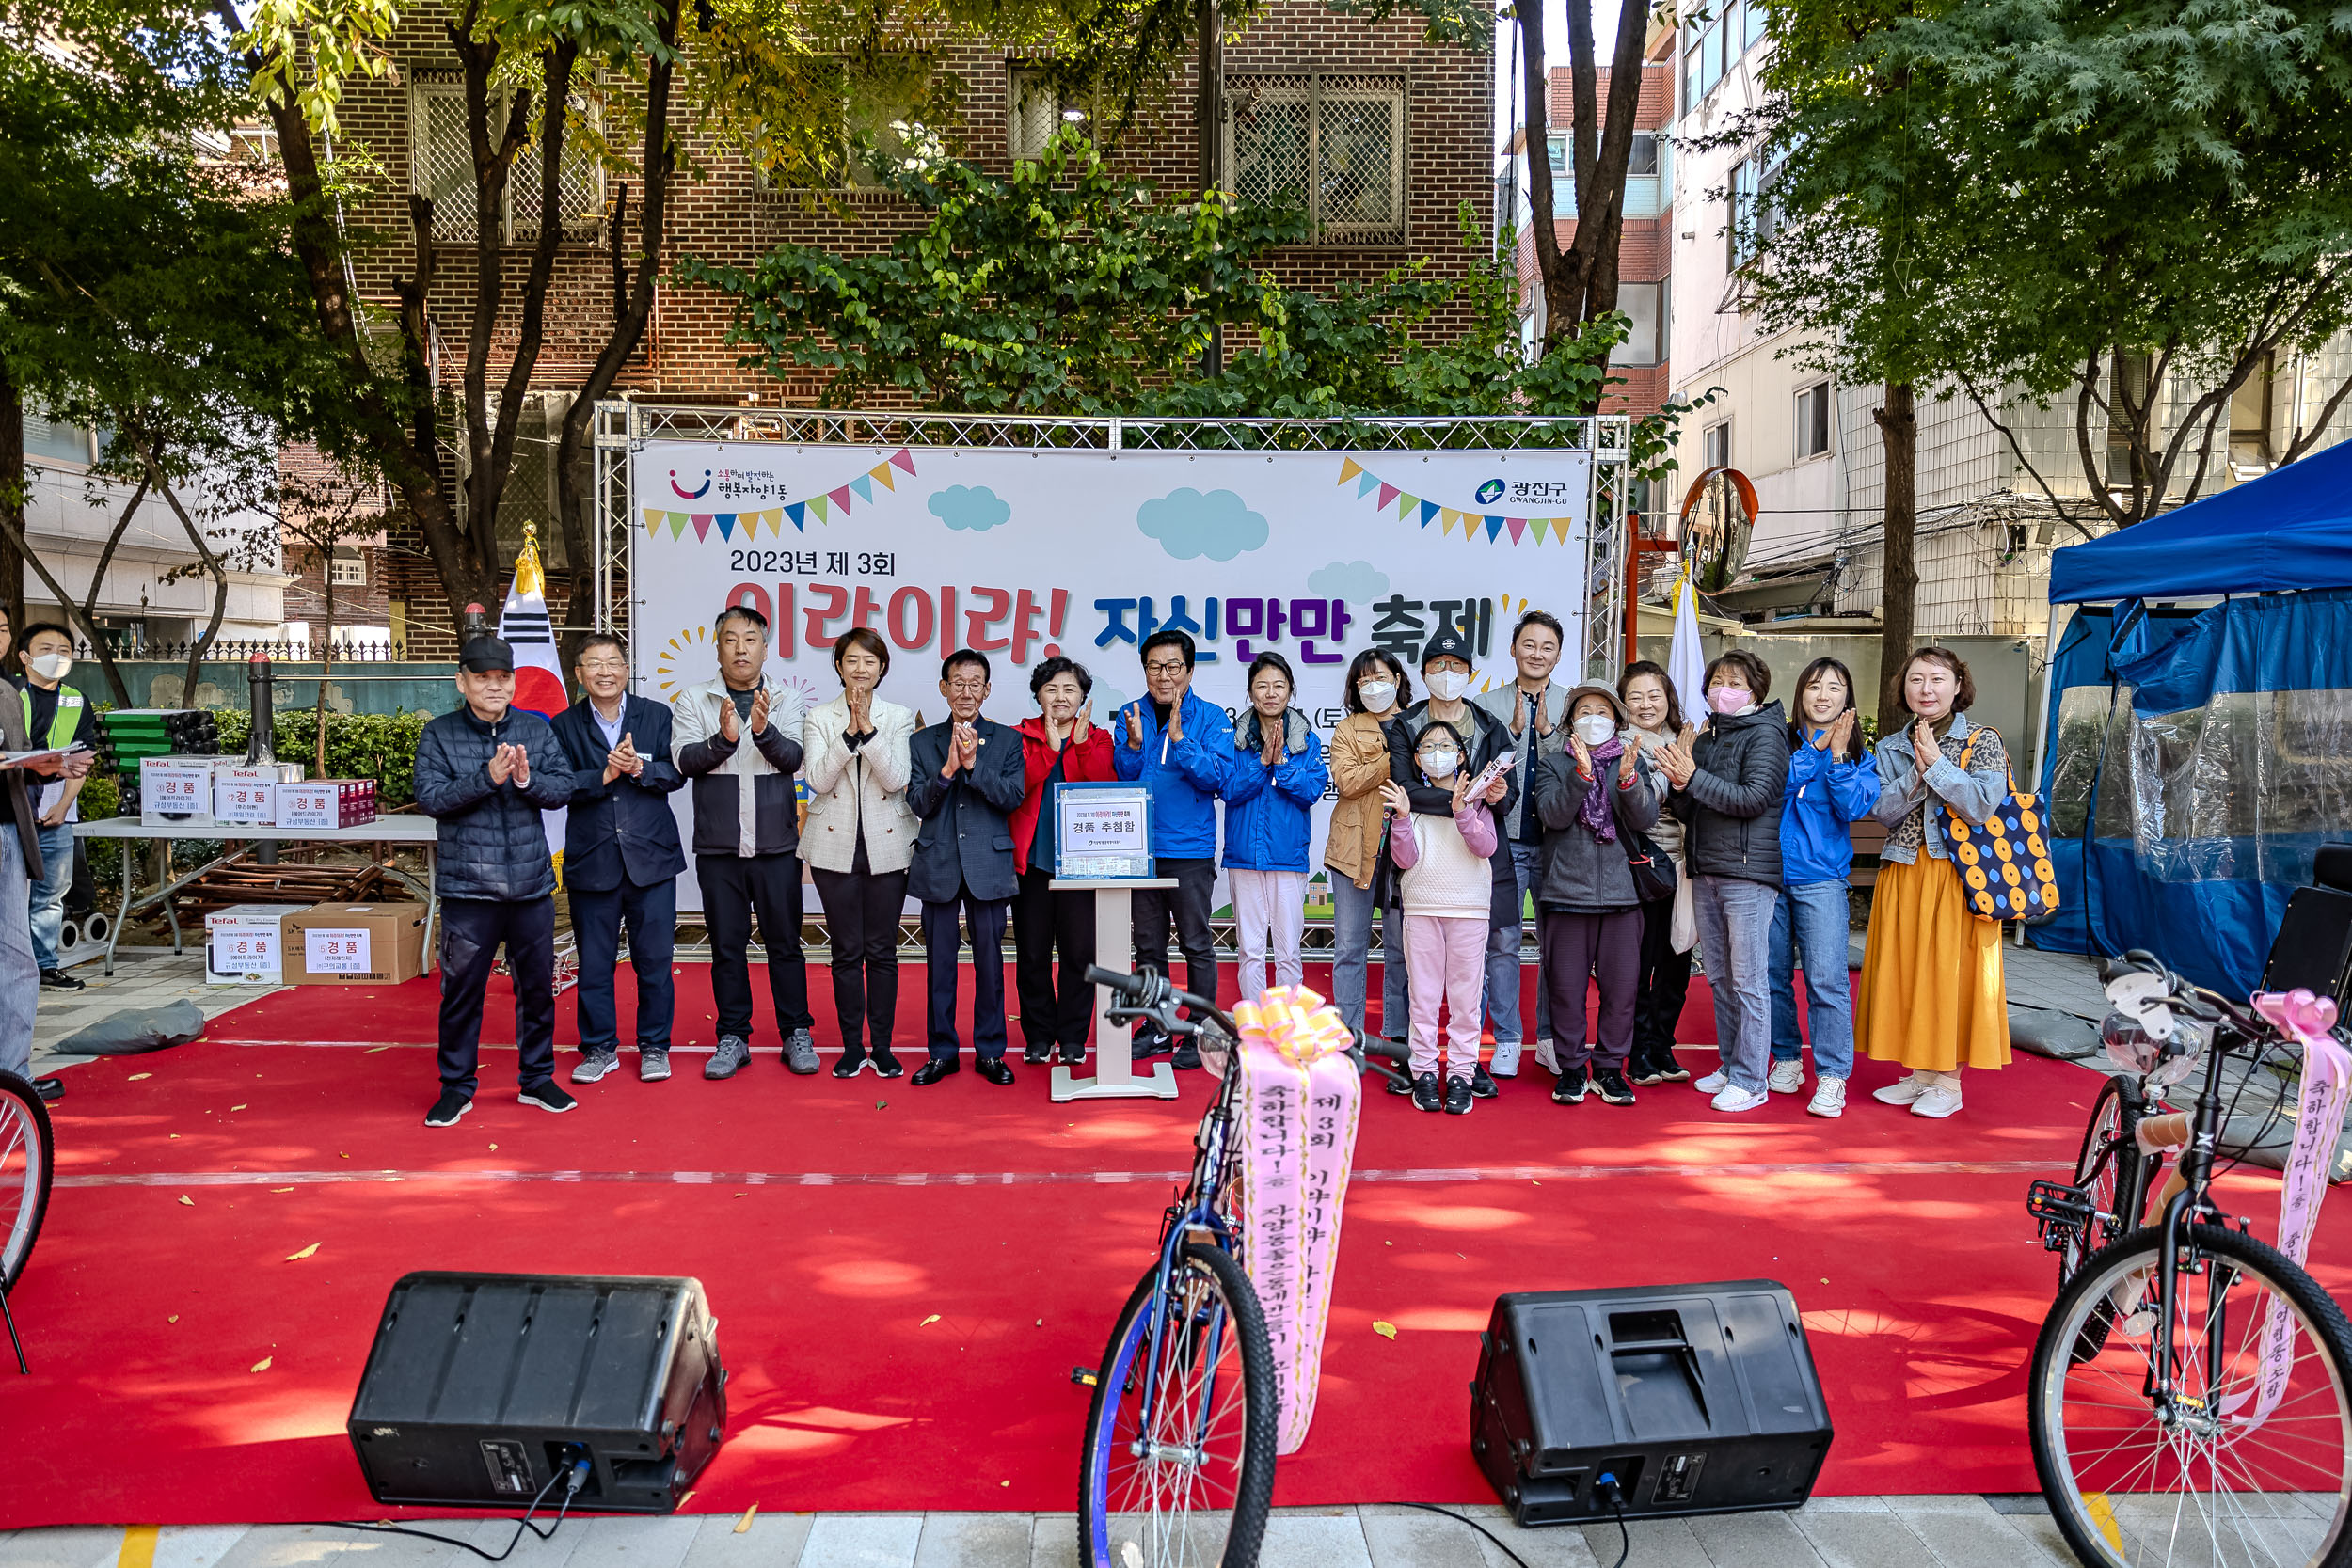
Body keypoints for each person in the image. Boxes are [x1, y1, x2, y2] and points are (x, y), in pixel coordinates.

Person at [413, 636, 579, 1126]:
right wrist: (487, 777)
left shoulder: (534, 728)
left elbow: (563, 787)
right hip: (469, 890)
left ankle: (537, 1079)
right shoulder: (440, 735)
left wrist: (526, 781)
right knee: (462, 993)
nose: (493, 686)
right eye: (481, 678)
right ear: (461, 681)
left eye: (502, 677)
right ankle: (457, 1087)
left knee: (537, 989)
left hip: (529, 885)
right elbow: (431, 798)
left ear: (513, 681)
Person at [1858, 646, 2014, 1117]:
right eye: (1916, 680)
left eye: (1938, 679)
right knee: (1906, 973)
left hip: (1959, 876)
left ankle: (1949, 1082)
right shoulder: (1888, 746)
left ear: (1958, 686)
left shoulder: (1983, 739)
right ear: (1903, 689)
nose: (1926, 689)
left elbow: (1984, 805)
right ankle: (1921, 1075)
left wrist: (1940, 768)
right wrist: (1919, 772)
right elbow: (1883, 812)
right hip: (1904, 871)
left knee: (1951, 976)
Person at [673, 604, 817, 1080]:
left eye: (750, 639)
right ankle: (733, 1035)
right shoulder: (694, 699)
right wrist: (725, 739)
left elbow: (793, 757)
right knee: (726, 948)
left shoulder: (787, 698)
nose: (740, 648)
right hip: (720, 849)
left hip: (776, 847)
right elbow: (685, 761)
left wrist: (761, 730)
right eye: (731, 639)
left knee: (786, 946)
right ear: (717, 646)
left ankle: (796, 1032)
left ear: (765, 647)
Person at [1651, 650, 1788, 1115]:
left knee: (1749, 980)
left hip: (1748, 872)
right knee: (1723, 978)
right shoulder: (1709, 736)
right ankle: (1732, 1065)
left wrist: (1694, 777)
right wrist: (1679, 782)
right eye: (1717, 681)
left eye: (1734, 681)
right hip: (1706, 866)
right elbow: (1691, 807)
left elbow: (1754, 799)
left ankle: (1753, 1079)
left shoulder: (1768, 736)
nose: (1722, 689)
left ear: (1755, 690)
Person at [1384, 626, 1515, 1098]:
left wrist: (1485, 800)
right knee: (1418, 982)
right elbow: (1404, 788)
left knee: (1468, 981)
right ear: (1423, 674)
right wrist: (1465, 798)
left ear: (1470, 673)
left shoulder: (1487, 725)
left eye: (1456, 666)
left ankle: (1464, 1066)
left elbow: (1508, 793)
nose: (1446, 674)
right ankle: (1419, 1065)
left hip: (1473, 869)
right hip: (1423, 871)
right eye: (1437, 666)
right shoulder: (1406, 724)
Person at [549, 632, 685, 1085]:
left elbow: (676, 773)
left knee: (654, 963)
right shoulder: (563, 726)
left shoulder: (656, 715)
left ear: (627, 670)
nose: (604, 672)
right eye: (594, 664)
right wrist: (604, 774)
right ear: (579, 673)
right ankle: (599, 1048)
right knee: (594, 963)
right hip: (593, 860)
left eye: (613, 663)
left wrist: (642, 768)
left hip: (651, 860)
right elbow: (557, 786)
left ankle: (654, 1046)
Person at [1530, 684, 1659, 1108]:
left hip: (1623, 897)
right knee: (1566, 988)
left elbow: (1645, 818)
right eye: (1584, 710)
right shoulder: (1552, 765)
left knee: (1622, 989)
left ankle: (1608, 1069)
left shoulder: (1629, 762)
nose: (1593, 717)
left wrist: (1627, 780)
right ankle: (1570, 1068)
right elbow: (1553, 815)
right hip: (1567, 894)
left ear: (1617, 722)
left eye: (1602, 710)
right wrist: (1581, 777)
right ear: (1570, 722)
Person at [1112, 627, 1233, 1069]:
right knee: (1147, 946)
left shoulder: (1214, 717)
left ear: (1189, 669)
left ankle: (1200, 1030)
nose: (1162, 676)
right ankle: (1157, 1025)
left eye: (1172, 666)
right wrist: (1132, 745)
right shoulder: (1130, 713)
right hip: (1138, 848)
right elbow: (1124, 777)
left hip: (1189, 849)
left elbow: (1217, 779)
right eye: (1153, 667)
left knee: (1196, 943)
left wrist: (1182, 742)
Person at [904, 649, 1026, 1085]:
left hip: (988, 866)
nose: (966, 692)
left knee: (991, 965)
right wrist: (947, 770)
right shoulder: (922, 742)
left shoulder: (1008, 741)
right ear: (943, 688)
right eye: (958, 682)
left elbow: (1012, 797)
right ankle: (942, 1052)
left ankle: (991, 1051)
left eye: (976, 683)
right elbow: (917, 802)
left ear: (988, 690)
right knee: (939, 965)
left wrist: (972, 767)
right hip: (937, 862)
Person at [802, 627, 919, 1079]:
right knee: (846, 951)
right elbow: (818, 779)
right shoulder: (819, 717)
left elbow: (895, 779)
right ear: (838, 665)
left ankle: (883, 1047)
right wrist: (848, 732)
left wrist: (868, 730)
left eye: (870, 662)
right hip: (834, 847)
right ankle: (853, 1046)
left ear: (882, 668)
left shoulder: (898, 716)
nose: (860, 669)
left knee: (882, 951)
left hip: (888, 845)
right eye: (852, 661)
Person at [1767, 657, 1880, 1118]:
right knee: (1771, 977)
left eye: (1834, 688)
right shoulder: (1778, 741)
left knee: (1826, 981)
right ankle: (1788, 1059)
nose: (1823, 695)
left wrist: (1835, 757)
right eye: (1814, 686)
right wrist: (1816, 750)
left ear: (1846, 699)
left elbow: (1853, 807)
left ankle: (1832, 1077)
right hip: (1769, 878)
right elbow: (1775, 787)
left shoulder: (1857, 755)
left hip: (1822, 882)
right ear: (1801, 695)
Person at [1381, 722, 1501, 1116]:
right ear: (1416, 760)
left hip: (1468, 908)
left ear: (1461, 755)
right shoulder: (1409, 801)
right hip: (1421, 907)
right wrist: (1400, 819)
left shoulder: (1478, 798)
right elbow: (1405, 860)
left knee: (1466, 1000)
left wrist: (1463, 811)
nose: (1437, 752)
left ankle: (1463, 1073)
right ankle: (1425, 1071)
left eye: (1446, 745)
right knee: (1424, 997)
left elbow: (1486, 846)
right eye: (1428, 746)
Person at [1472, 610, 1570, 1077]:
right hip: (1504, 845)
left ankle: (1550, 1037)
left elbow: (1577, 775)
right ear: (1513, 649)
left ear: (1558, 655)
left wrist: (1549, 735)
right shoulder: (1486, 703)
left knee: (1559, 947)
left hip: (1559, 846)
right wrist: (1511, 733)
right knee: (1503, 943)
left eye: (1547, 646)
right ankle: (1508, 1037)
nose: (1537, 653)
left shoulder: (1574, 705)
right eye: (1528, 644)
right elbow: (1479, 770)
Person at [1010, 656, 1114, 1066]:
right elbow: (1014, 789)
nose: (1060, 697)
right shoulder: (1020, 736)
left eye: (1070, 689)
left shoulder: (1100, 738)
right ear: (1038, 695)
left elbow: (1104, 786)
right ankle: (1037, 1035)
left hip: (1081, 865)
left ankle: (1072, 1038)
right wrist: (1049, 749)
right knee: (1032, 953)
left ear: (1083, 697)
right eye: (1051, 689)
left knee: (1078, 954)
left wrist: (1082, 743)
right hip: (1033, 864)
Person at [0, 605, 80, 1103]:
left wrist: (46, 768)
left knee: (16, 958)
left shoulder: (8, 691)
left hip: (10, 829)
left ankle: (14, 1075)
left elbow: (18, 761)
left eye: (2, 627)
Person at [1221, 652, 1328, 1000]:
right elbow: (1228, 790)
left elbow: (1311, 791)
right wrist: (1260, 763)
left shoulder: (1306, 742)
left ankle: (1287, 1029)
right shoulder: (1234, 740)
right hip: (1244, 858)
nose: (1270, 693)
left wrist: (1281, 763)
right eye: (1262, 686)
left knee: (1288, 952)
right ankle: (1254, 1027)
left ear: (1290, 691)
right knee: (1250, 951)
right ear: (1250, 693)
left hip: (1287, 857)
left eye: (1278, 686)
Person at [1323, 649, 1412, 1041]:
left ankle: (1397, 1034)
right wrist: (1393, 758)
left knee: (1400, 950)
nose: (1372, 686)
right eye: (1363, 681)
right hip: (1352, 849)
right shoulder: (1347, 729)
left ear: (1397, 678)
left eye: (1379, 677)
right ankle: (1349, 1037)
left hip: (1406, 854)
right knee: (1349, 949)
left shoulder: (1419, 722)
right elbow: (1347, 781)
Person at [1618, 661, 1694, 1085]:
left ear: (1669, 700)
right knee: (1640, 963)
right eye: (1635, 697)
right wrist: (1676, 766)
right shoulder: (1617, 744)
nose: (1646, 705)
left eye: (1654, 696)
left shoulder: (1687, 742)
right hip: (1640, 868)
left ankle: (1664, 1046)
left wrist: (1687, 763)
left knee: (1676, 961)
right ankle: (1638, 1049)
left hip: (1683, 867)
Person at [14, 623, 99, 993]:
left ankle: (46, 967)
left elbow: (83, 760)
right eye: (47, 648)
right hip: (11, 805)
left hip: (56, 810)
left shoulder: (77, 700)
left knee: (50, 895)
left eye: (65, 650)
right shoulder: (9, 695)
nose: (57, 657)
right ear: (25, 656)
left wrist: (64, 806)